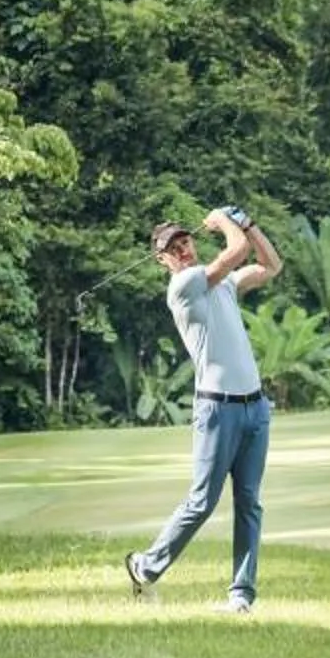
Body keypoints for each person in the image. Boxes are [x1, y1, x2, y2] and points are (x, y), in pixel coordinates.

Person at [124, 205, 283, 613]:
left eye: (185, 241)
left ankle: (241, 596)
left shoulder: (223, 285)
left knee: (249, 502)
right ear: (162, 260)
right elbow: (235, 251)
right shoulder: (184, 286)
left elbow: (270, 265)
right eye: (172, 248)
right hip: (217, 411)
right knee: (202, 502)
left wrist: (251, 224)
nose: (182, 249)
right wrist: (226, 222)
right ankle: (145, 566)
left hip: (254, 409)